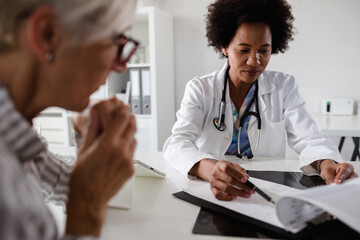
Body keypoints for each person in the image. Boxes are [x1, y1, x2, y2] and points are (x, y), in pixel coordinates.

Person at [163, 0, 357, 201]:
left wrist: (327, 164)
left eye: (264, 50)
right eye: (244, 50)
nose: (255, 61)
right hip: (212, 188)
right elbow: (178, 143)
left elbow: (310, 138)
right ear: (224, 47)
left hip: (268, 191)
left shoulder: (284, 86)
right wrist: (210, 169)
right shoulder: (200, 89)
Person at [0, 0, 138, 239]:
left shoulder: (16, 134)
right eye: (117, 42)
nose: (121, 67)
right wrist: (87, 211)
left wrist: (88, 137)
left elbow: (70, 185)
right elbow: (82, 196)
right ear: (48, 35)